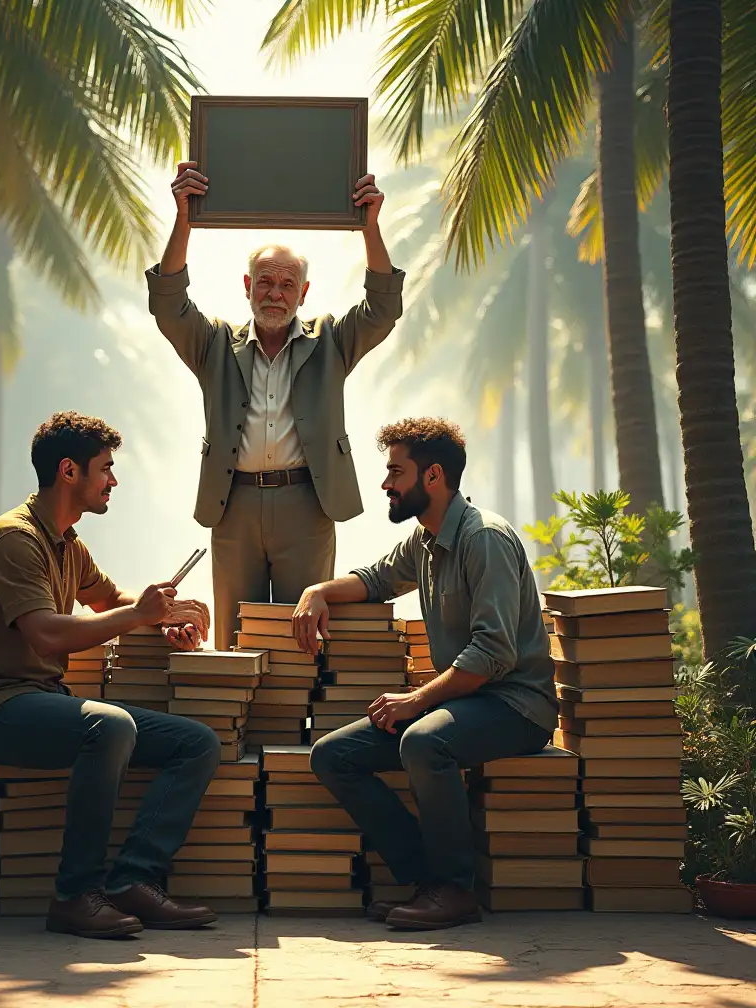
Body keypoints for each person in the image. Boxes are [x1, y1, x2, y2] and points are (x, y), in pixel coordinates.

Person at [0, 411, 221, 939]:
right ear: (69, 471)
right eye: (106, 469)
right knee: (111, 726)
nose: (113, 481)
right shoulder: (14, 538)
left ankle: (133, 881)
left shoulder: (67, 543)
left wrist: (165, 617)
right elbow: (46, 634)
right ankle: (74, 895)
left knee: (197, 743)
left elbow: (109, 600)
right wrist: (139, 614)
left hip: (41, 700)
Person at [292, 417, 558, 931]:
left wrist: (417, 701)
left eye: (396, 471)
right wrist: (316, 592)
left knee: (423, 741)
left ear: (433, 477)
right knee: (333, 756)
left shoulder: (485, 540)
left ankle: (455, 891)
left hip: (517, 706)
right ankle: (426, 882)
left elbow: (492, 654)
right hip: (466, 703)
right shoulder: (427, 540)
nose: (386, 484)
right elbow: (375, 579)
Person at [146, 161, 406, 650]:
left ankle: (297, 730)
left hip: (307, 503)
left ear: (303, 293)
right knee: (236, 640)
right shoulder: (215, 345)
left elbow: (382, 309)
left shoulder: (329, 341)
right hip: (233, 503)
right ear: (247, 287)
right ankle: (239, 729)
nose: (275, 293)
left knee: (302, 639)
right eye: (265, 282)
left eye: (287, 284)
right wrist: (183, 217)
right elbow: (168, 304)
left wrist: (370, 228)